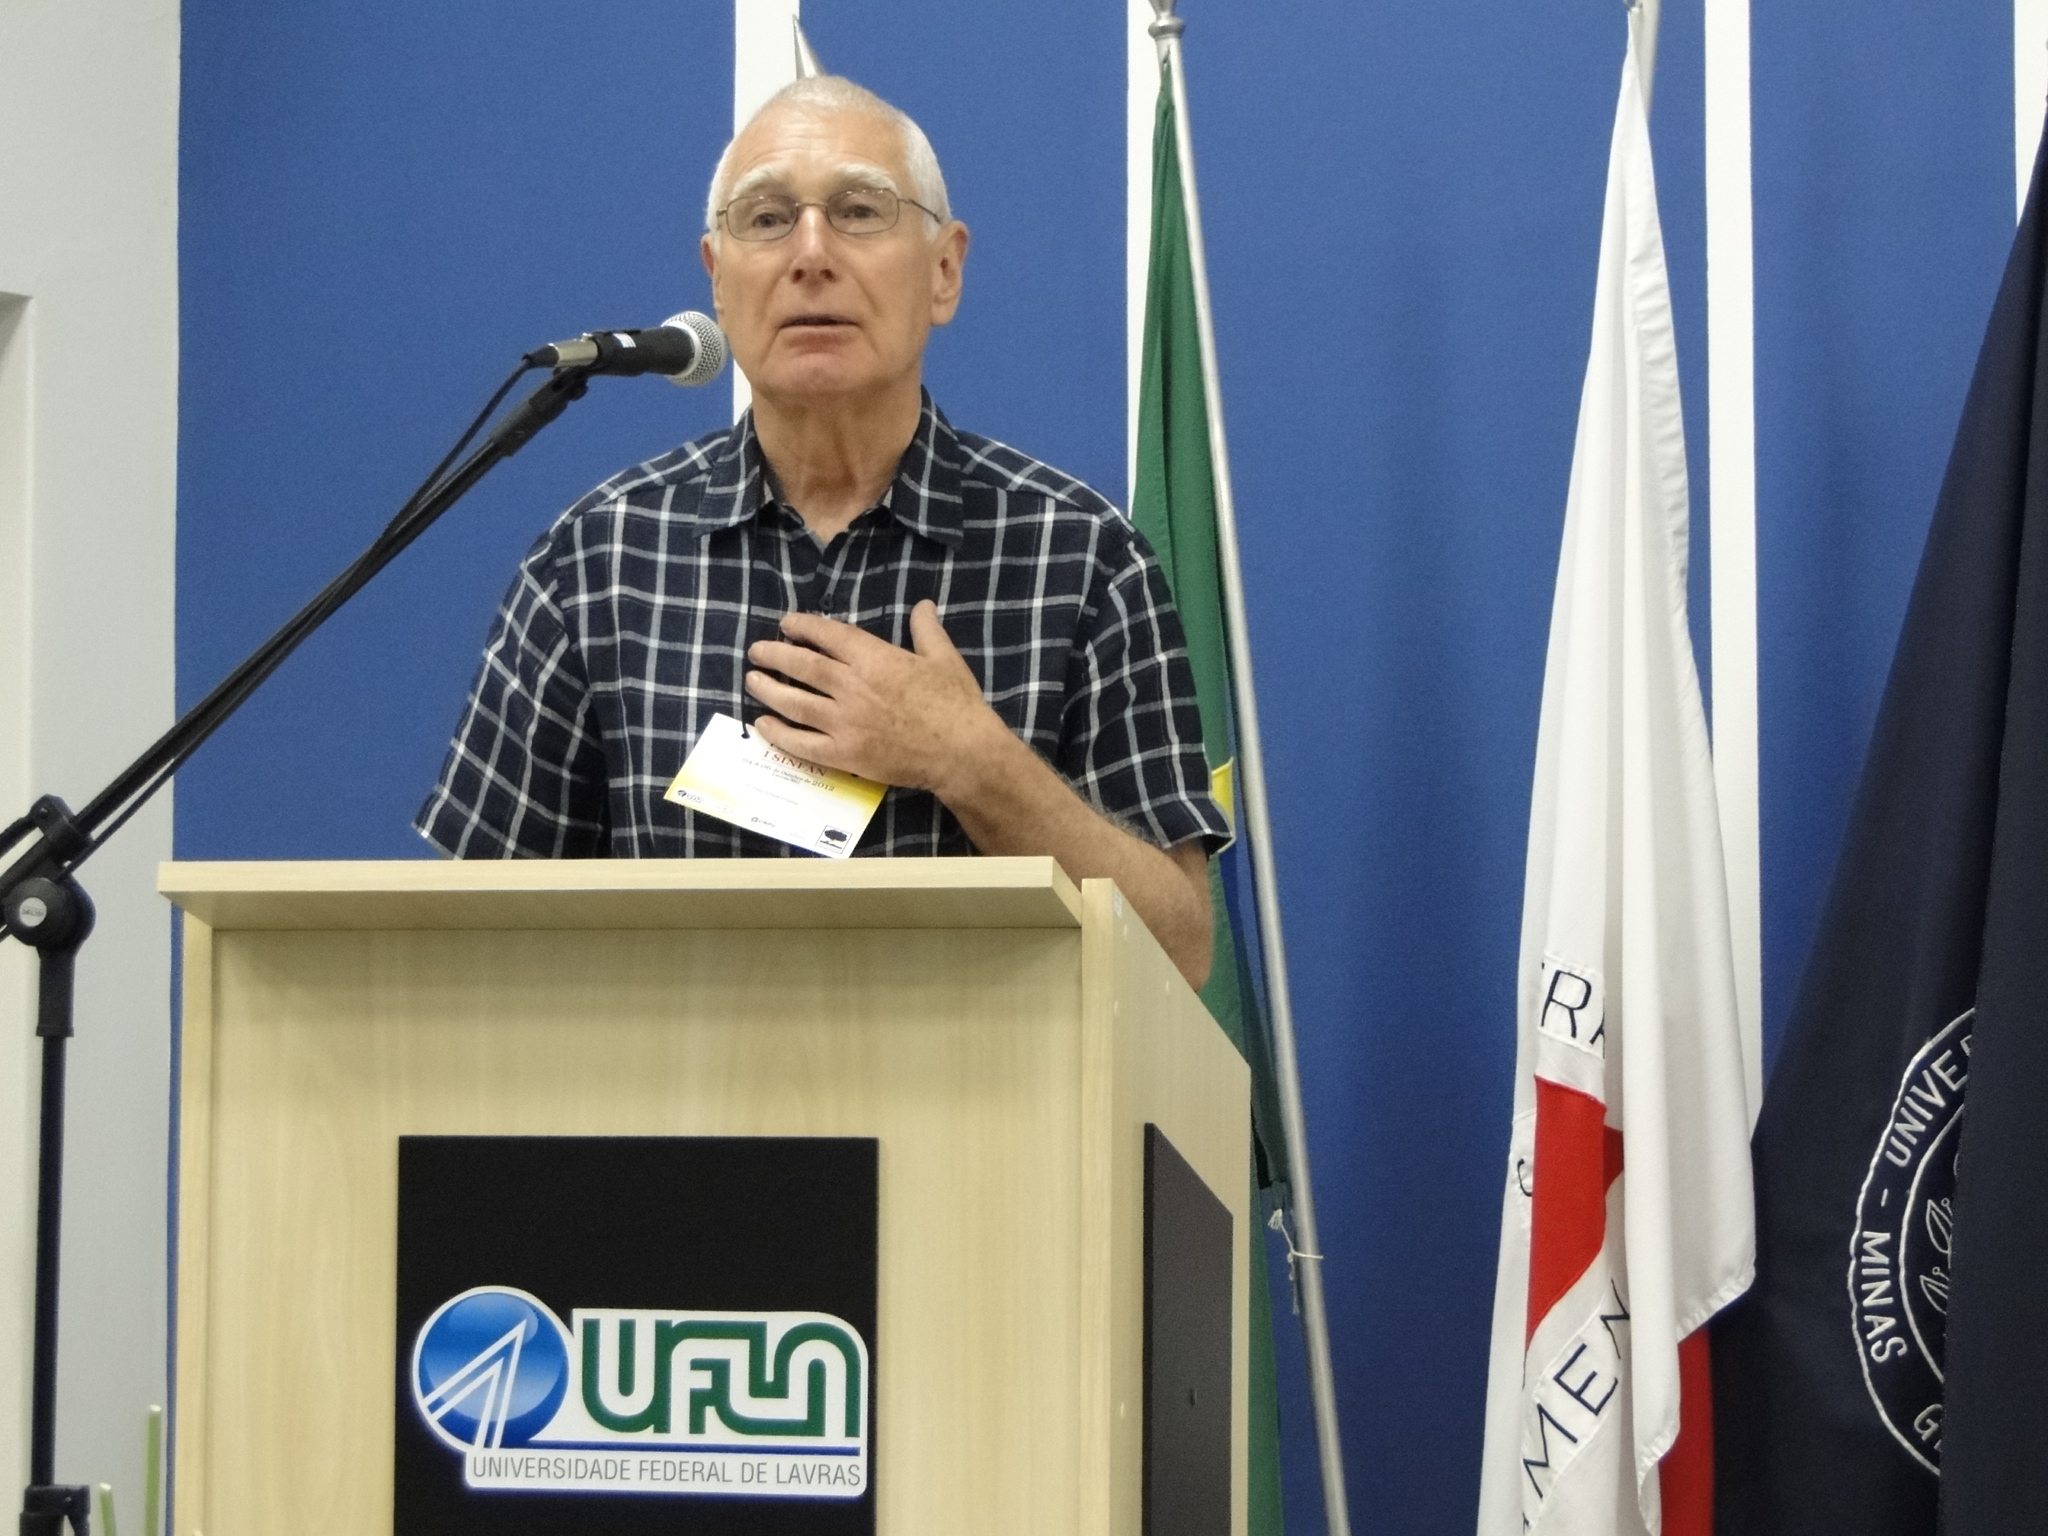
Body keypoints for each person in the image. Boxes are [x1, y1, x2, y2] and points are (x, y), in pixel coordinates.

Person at [417, 75, 1226, 986]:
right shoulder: (597, 562)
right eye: (766, 219)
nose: (810, 253)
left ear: (945, 271)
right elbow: (472, 946)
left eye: (859, 211)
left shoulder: (1083, 558)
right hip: (677, 1077)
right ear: (718, 281)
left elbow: (1181, 951)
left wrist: (974, 763)